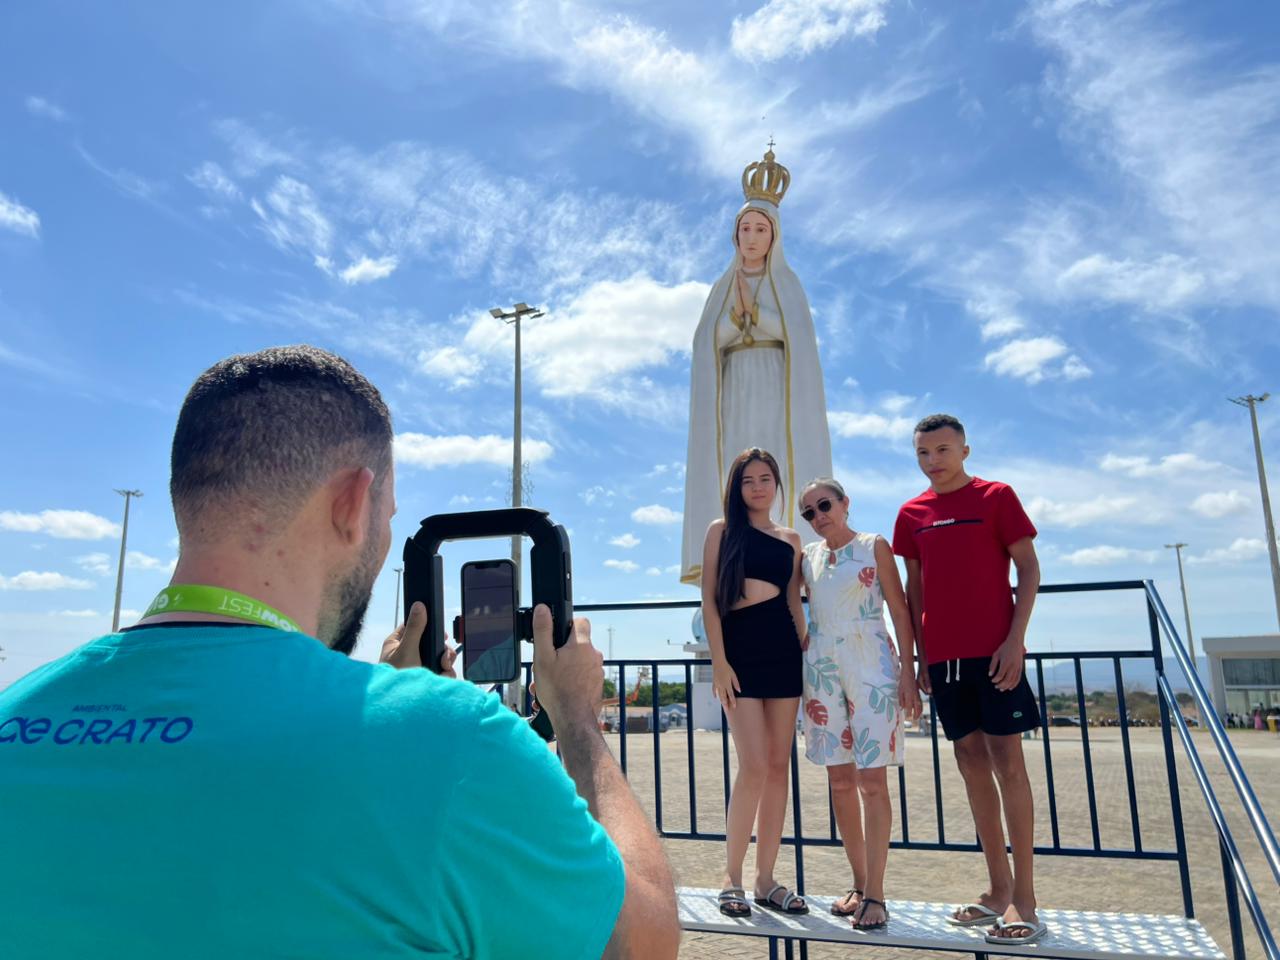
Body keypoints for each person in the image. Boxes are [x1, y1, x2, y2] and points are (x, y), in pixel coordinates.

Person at [0, 345, 679, 960]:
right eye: (386, 518)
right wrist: (578, 721)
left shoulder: (15, 712)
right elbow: (643, 946)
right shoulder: (451, 744)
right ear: (353, 504)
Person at [892, 413, 1046, 946]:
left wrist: (1015, 640)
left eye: (942, 450)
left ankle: (1025, 899)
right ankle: (996, 889)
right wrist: (918, 658)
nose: (933, 461)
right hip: (944, 661)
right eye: (923, 453)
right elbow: (913, 590)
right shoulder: (911, 513)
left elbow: (1028, 568)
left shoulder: (996, 496)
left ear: (964, 450)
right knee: (969, 763)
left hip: (996, 653)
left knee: (1009, 763)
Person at [680, 146, 832, 585]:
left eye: (760, 229)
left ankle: (784, 542)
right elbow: (708, 341)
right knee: (737, 459)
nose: (751, 237)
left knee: (774, 455)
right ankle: (736, 541)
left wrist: (756, 316)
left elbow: (795, 336)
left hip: (775, 382)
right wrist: (736, 319)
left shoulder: (786, 284)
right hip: (734, 384)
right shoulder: (722, 287)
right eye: (744, 228)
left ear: (773, 236)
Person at [798, 478, 921, 930]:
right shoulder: (806, 557)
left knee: (872, 782)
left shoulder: (874, 546)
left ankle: (878, 894)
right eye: (808, 512)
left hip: (870, 662)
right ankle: (858, 881)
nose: (818, 516)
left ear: (845, 504)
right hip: (822, 665)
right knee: (840, 782)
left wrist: (908, 671)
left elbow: (900, 609)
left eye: (824, 505)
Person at [701, 447, 808, 918]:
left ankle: (766, 879)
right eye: (748, 481)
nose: (758, 487)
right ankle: (733, 876)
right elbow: (709, 599)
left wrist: (811, 653)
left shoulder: (791, 537)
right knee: (753, 765)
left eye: (765, 479)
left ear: (776, 484)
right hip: (740, 655)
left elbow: (795, 601)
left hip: (784, 651)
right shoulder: (722, 531)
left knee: (779, 767)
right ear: (736, 487)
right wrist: (719, 663)